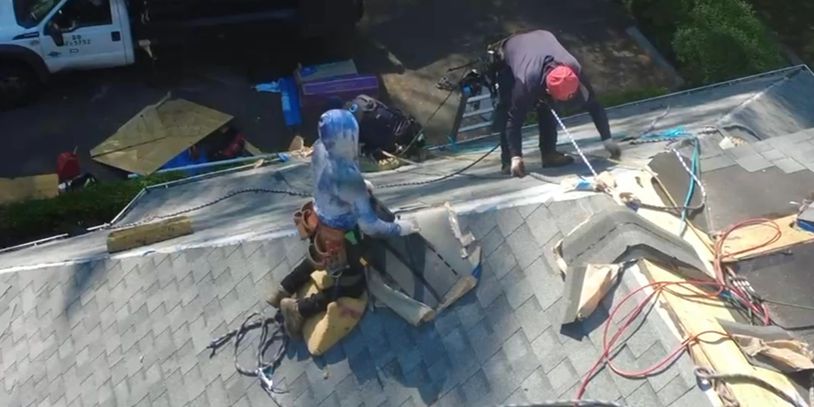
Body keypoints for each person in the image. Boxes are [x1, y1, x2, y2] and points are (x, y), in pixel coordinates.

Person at [267, 109, 420, 338]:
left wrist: (359, 187)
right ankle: (298, 308)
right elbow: (370, 226)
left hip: (319, 221)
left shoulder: (320, 147)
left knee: (319, 255)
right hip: (343, 234)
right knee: (352, 283)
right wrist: (401, 227)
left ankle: (284, 287)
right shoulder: (347, 177)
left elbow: (333, 183)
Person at [490, 29, 621, 177]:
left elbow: (594, 105)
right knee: (508, 107)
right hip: (511, 55)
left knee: (549, 105)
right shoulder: (526, 82)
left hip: (543, 39)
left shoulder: (574, 69)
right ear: (547, 87)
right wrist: (516, 156)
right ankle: (508, 162)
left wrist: (607, 140)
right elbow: (514, 120)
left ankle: (549, 154)